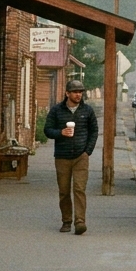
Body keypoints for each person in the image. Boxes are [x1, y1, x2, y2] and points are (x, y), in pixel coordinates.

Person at [43, 78, 99, 234]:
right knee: (64, 191)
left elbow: (94, 131)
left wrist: (88, 151)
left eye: (80, 92)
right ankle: (66, 221)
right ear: (67, 93)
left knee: (79, 189)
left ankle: (80, 222)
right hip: (62, 156)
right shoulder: (57, 110)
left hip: (81, 156)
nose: (78, 95)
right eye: (75, 92)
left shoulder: (87, 111)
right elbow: (47, 130)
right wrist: (60, 133)